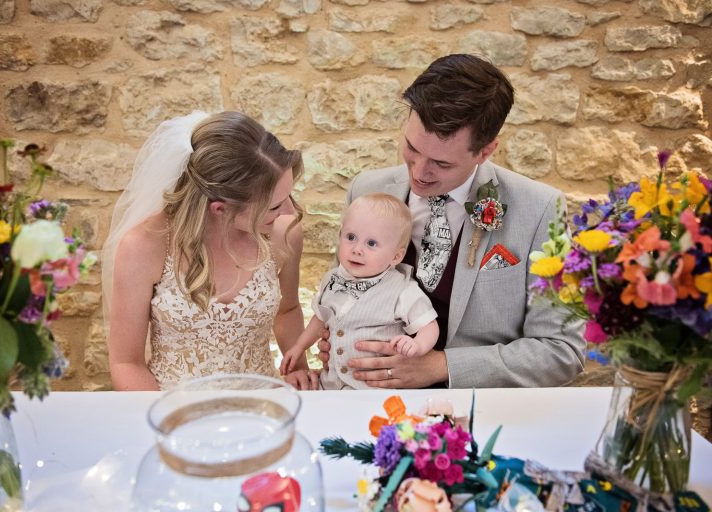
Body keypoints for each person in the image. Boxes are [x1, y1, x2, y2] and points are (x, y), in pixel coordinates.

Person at [287, 54, 585, 390]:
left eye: (441, 164)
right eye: (412, 148)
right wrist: (334, 340)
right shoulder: (366, 189)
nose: (419, 172)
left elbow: (563, 352)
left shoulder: (540, 209)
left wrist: (443, 366)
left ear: (485, 152)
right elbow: (343, 295)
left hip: (476, 416)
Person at [102, 111, 307, 390]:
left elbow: (288, 310)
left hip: (262, 406)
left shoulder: (285, 232)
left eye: (288, 197)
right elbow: (126, 363)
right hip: (176, 411)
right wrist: (171, 423)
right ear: (220, 209)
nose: (290, 211)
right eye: (273, 206)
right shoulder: (144, 246)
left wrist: (298, 368)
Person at [279, 194, 439, 389]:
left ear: (396, 256)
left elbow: (429, 325)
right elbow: (320, 318)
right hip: (330, 384)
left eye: (371, 244)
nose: (356, 249)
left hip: (375, 389)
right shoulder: (332, 279)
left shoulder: (402, 289)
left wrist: (417, 346)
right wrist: (300, 346)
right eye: (351, 237)